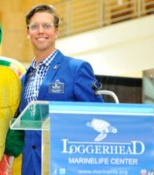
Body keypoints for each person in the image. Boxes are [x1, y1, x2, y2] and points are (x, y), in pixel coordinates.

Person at [19, 4, 104, 175]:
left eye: (47, 26)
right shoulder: (23, 78)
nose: (40, 31)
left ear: (56, 31)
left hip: (65, 164)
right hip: (30, 166)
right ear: (28, 33)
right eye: (34, 26)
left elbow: (98, 114)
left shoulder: (76, 69)